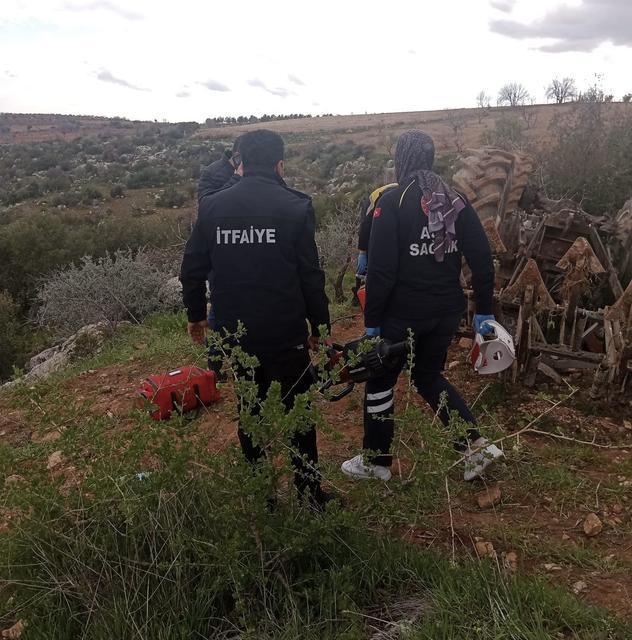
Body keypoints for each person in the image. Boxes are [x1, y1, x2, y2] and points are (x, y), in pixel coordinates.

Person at [341, 130, 503, 483]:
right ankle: (475, 446)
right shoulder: (456, 200)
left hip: (403, 315)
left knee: (379, 380)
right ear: (429, 159)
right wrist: (484, 310)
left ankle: (375, 462)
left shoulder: (392, 202)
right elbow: (482, 261)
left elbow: (381, 271)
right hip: (445, 312)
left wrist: (372, 323)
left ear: (401, 159)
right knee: (427, 376)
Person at [181, 129, 332, 505]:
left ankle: (263, 496)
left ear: (241, 163)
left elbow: (192, 268)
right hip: (285, 331)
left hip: (236, 333)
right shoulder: (296, 206)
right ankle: (309, 495)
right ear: (280, 165)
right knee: (299, 409)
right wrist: (320, 326)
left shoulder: (212, 207)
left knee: (250, 409)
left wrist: (197, 315)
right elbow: (310, 275)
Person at [353, 182, 397, 304]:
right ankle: (358, 290)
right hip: (372, 202)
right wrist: (362, 252)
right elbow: (366, 225)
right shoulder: (382, 200)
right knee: (371, 242)